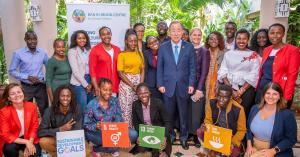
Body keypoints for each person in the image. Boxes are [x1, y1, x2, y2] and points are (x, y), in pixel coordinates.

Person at [157, 20, 196, 150]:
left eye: (178, 30)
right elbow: (160, 68)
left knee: (183, 114)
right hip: (167, 87)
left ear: (182, 32)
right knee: (168, 114)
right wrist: (160, 84)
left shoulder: (189, 47)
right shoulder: (163, 47)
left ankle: (184, 137)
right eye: (173, 30)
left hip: (184, 87)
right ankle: (170, 136)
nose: (176, 33)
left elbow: (192, 68)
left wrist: (191, 84)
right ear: (169, 32)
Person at [84, 78, 138, 157]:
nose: (108, 92)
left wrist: (121, 132)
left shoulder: (115, 101)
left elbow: (119, 117)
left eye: (110, 90)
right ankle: (103, 148)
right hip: (98, 132)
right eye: (105, 90)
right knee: (108, 141)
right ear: (99, 89)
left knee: (133, 134)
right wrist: (96, 125)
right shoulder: (91, 104)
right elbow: (86, 125)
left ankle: (105, 148)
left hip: (113, 131)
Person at [245, 82, 297, 157]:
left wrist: (274, 150)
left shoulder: (287, 115)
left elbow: (291, 139)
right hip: (254, 148)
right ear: (263, 95)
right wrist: (249, 145)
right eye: (268, 93)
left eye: (275, 94)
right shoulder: (255, 109)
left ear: (280, 96)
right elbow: (248, 130)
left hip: (276, 151)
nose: (270, 97)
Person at [256, 23, 300, 109]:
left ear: (283, 34)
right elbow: (263, 71)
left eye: (278, 33)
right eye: (272, 33)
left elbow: (292, 75)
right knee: (261, 115)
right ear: (268, 34)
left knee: (277, 119)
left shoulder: (292, 50)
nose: (275, 35)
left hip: (279, 92)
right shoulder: (266, 50)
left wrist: (286, 97)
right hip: (263, 89)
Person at [218, 29, 261, 117]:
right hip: (229, 87)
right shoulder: (229, 54)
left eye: (244, 38)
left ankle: (242, 130)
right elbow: (223, 70)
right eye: (239, 38)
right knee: (228, 112)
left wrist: (241, 91)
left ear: (248, 40)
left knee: (243, 113)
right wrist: (231, 89)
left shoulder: (253, 55)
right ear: (235, 39)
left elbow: (254, 74)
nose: (241, 41)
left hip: (246, 89)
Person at [38, 85, 90, 157]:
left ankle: (64, 154)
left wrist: (68, 143)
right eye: (62, 96)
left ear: (71, 98)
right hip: (57, 138)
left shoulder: (77, 108)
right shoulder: (50, 110)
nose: (65, 98)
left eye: (68, 96)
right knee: (43, 142)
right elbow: (41, 132)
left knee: (87, 152)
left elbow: (78, 130)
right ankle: (61, 154)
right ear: (58, 97)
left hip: (73, 140)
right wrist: (60, 129)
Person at [197, 84, 246, 157]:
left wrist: (232, 142)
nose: (221, 99)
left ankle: (216, 151)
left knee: (234, 152)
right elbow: (208, 120)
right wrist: (206, 126)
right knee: (200, 131)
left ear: (230, 98)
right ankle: (209, 150)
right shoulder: (212, 103)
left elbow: (242, 130)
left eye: (225, 97)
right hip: (216, 133)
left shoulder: (238, 109)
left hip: (230, 137)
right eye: (219, 96)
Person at [8, 31, 49, 115]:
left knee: (45, 109)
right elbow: (12, 70)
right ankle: (29, 128)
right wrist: (27, 77)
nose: (33, 41)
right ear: (25, 40)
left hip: (40, 86)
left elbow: (50, 67)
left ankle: (45, 128)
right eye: (29, 39)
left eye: (34, 39)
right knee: (27, 111)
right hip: (26, 87)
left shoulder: (42, 52)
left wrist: (45, 80)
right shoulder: (18, 53)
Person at [0, 83, 41, 157]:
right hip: (14, 139)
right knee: (9, 148)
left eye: (19, 92)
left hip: (29, 136)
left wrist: (30, 142)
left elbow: (34, 126)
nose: (17, 95)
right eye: (12, 94)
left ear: (23, 93)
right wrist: (26, 142)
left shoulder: (32, 106)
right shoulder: (4, 112)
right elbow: (5, 134)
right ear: (9, 98)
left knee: (35, 152)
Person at [131, 83, 172, 157]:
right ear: (137, 94)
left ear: (149, 92)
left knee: (157, 151)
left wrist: (164, 137)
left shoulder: (158, 103)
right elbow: (135, 123)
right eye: (140, 93)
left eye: (146, 92)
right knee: (140, 150)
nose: (143, 95)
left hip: (159, 132)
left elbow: (167, 121)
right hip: (145, 133)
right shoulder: (135, 105)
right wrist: (139, 135)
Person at [117, 29, 145, 127]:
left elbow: (142, 70)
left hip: (138, 83)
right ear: (126, 41)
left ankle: (136, 132)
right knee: (126, 110)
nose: (133, 43)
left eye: (135, 41)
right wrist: (132, 85)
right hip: (126, 84)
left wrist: (140, 86)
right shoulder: (122, 55)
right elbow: (120, 73)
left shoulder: (140, 53)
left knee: (137, 108)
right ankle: (127, 133)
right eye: (130, 41)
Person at [188, 28, 210, 147]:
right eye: (194, 35)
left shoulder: (204, 51)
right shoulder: (185, 48)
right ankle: (188, 133)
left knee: (197, 112)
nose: (196, 37)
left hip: (198, 85)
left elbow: (204, 72)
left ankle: (196, 135)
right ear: (190, 36)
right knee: (188, 111)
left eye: (199, 35)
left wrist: (199, 88)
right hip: (185, 85)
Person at [89, 27, 121, 96]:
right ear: (100, 36)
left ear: (111, 34)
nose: (106, 36)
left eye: (108, 34)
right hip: (101, 87)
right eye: (103, 34)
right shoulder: (95, 50)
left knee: (113, 106)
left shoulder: (117, 49)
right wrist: (96, 88)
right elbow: (92, 71)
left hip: (114, 86)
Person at [68, 30, 93, 111]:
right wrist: (86, 85)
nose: (82, 40)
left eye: (84, 38)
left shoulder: (89, 50)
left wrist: (91, 83)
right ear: (75, 40)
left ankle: (89, 123)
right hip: (78, 82)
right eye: (79, 38)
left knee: (90, 106)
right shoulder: (72, 51)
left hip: (90, 79)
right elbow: (75, 71)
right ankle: (81, 124)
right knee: (82, 107)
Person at [204, 31, 225, 108]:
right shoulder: (204, 51)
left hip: (217, 82)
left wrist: (219, 83)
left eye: (216, 39)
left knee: (214, 102)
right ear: (208, 41)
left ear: (219, 41)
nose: (213, 41)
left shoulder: (224, 53)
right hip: (205, 82)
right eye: (211, 39)